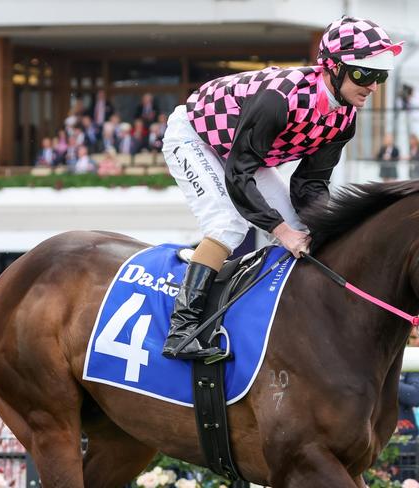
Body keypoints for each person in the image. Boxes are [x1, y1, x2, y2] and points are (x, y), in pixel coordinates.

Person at [160, 16, 403, 360]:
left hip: (243, 156)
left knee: (308, 232)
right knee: (228, 225)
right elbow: (238, 175)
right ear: (332, 67)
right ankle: (181, 331)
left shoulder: (345, 117)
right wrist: (280, 230)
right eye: (365, 74)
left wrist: (320, 229)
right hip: (195, 137)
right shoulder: (279, 98)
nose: (373, 85)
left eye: (381, 76)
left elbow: (309, 185)